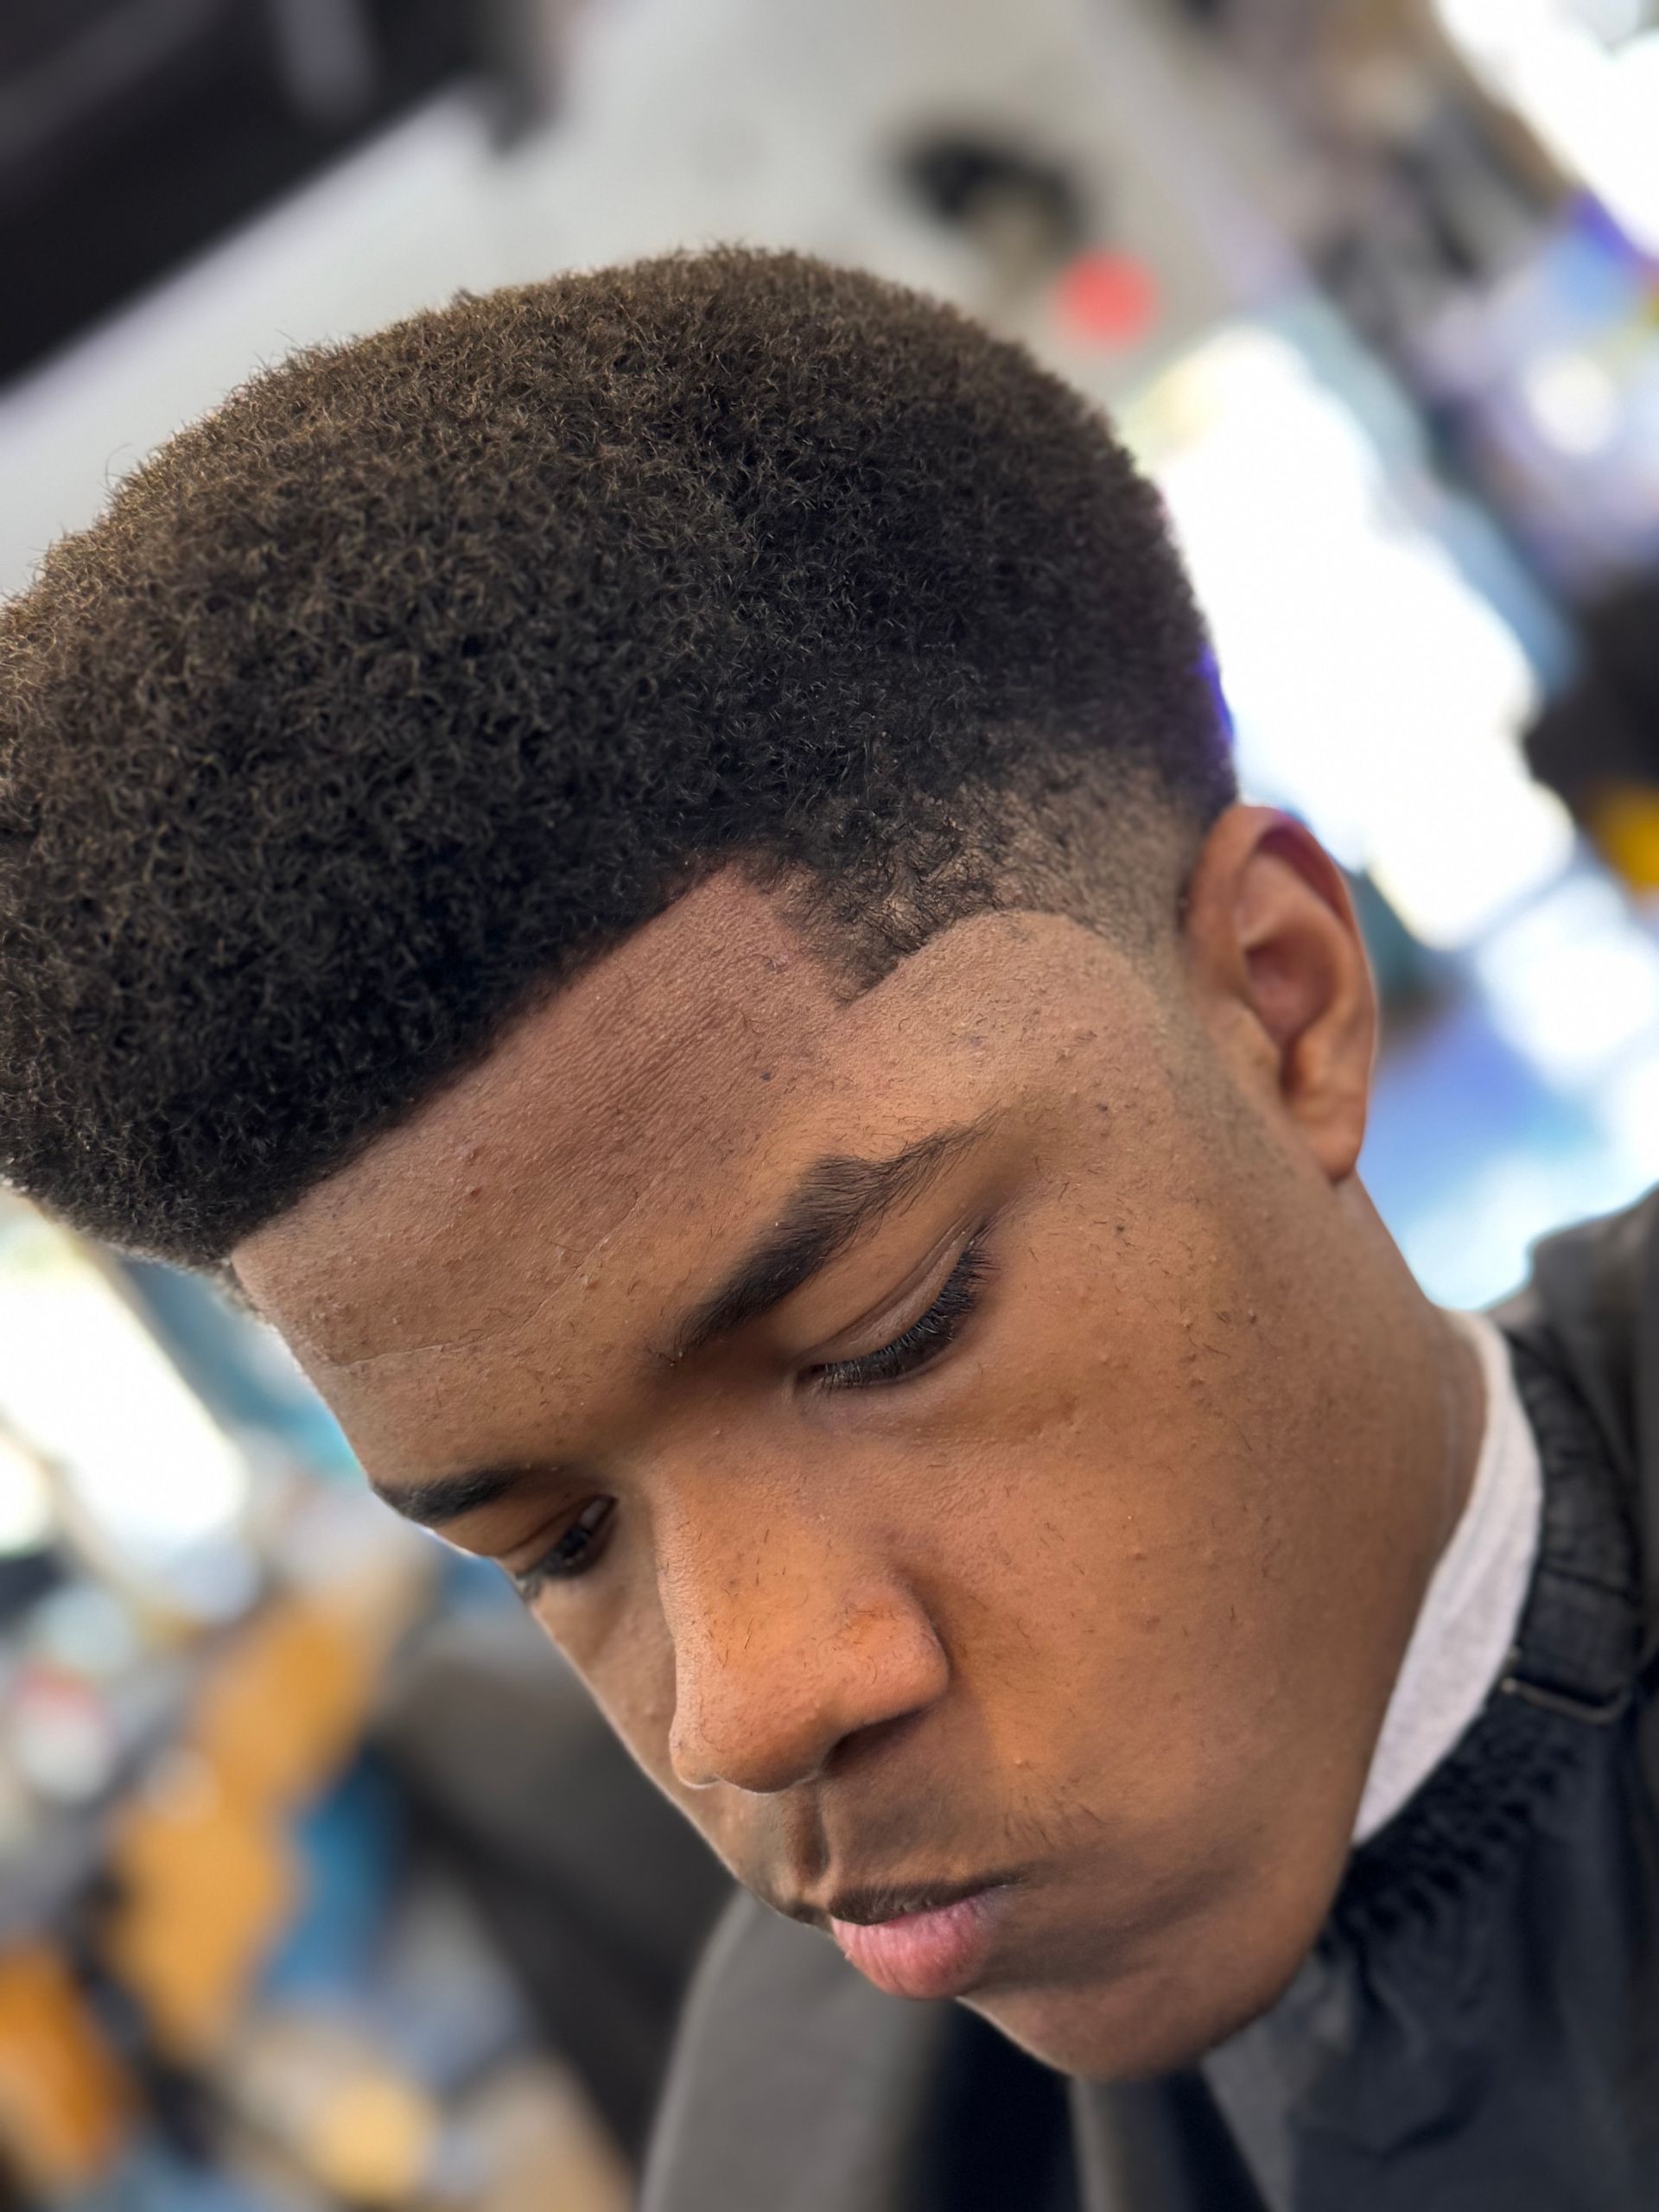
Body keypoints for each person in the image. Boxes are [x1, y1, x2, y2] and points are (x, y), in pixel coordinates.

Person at [1, 247, 1654, 2212]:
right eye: (558, 1540)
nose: (749, 1705)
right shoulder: (788, 2148)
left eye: (892, 1330)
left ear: (1280, 1006)